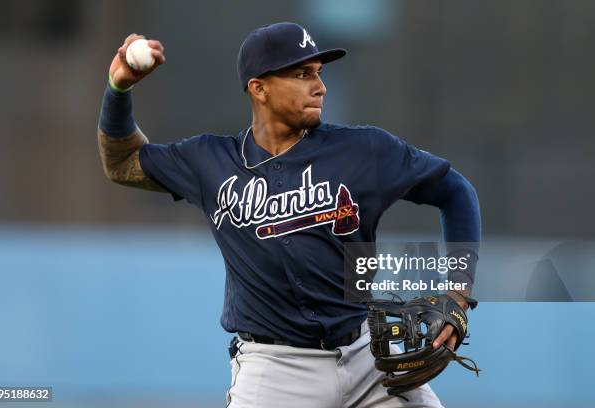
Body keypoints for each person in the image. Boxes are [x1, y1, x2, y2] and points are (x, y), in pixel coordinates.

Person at [97, 22, 481, 408]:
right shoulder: (210, 162)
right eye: (302, 74)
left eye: (318, 73)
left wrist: (459, 291)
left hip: (369, 358)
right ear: (259, 87)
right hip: (276, 370)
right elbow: (123, 162)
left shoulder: (364, 150)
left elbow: (455, 190)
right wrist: (120, 88)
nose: (320, 86)